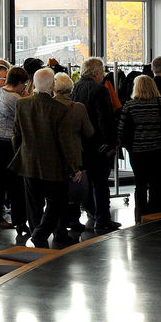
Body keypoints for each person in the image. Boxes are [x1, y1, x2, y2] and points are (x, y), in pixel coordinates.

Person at [11, 68, 83, 247]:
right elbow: (64, 142)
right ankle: (40, 234)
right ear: (52, 85)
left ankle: (37, 235)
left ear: (34, 84)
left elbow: (16, 134)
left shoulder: (22, 104)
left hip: (28, 162)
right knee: (56, 202)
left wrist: (21, 153)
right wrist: (74, 167)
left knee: (33, 204)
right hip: (54, 165)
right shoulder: (60, 109)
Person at [117, 75, 161, 221]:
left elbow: (120, 129)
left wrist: (128, 146)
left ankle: (140, 215)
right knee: (156, 183)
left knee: (140, 184)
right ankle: (155, 213)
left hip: (137, 151)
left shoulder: (129, 105)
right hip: (158, 150)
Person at [71, 57, 120, 232]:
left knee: (82, 182)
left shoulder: (75, 87)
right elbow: (105, 119)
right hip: (97, 145)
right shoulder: (100, 90)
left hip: (80, 144)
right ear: (97, 72)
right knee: (100, 183)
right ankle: (102, 219)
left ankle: (79, 219)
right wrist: (110, 144)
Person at [0, 66, 30, 236]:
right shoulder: (16, 99)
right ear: (20, 83)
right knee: (16, 186)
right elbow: (25, 122)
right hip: (7, 145)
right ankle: (20, 223)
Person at [52, 72, 94, 234]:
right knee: (75, 189)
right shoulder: (79, 108)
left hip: (54, 155)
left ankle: (58, 222)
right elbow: (89, 132)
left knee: (57, 191)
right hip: (76, 152)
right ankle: (74, 220)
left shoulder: (49, 106)